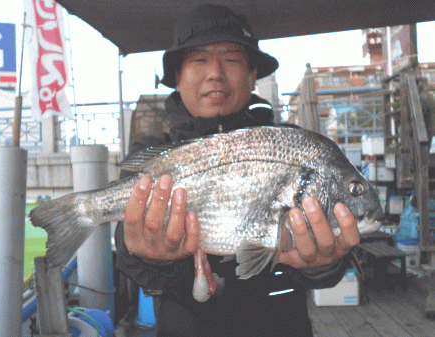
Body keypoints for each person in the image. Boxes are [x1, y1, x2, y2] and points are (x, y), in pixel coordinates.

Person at [115, 4, 360, 336]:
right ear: (177, 77)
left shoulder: (293, 147)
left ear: (251, 75)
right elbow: (128, 254)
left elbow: (331, 262)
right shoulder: (150, 155)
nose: (215, 72)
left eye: (232, 59)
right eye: (199, 59)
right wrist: (153, 259)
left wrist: (324, 264)